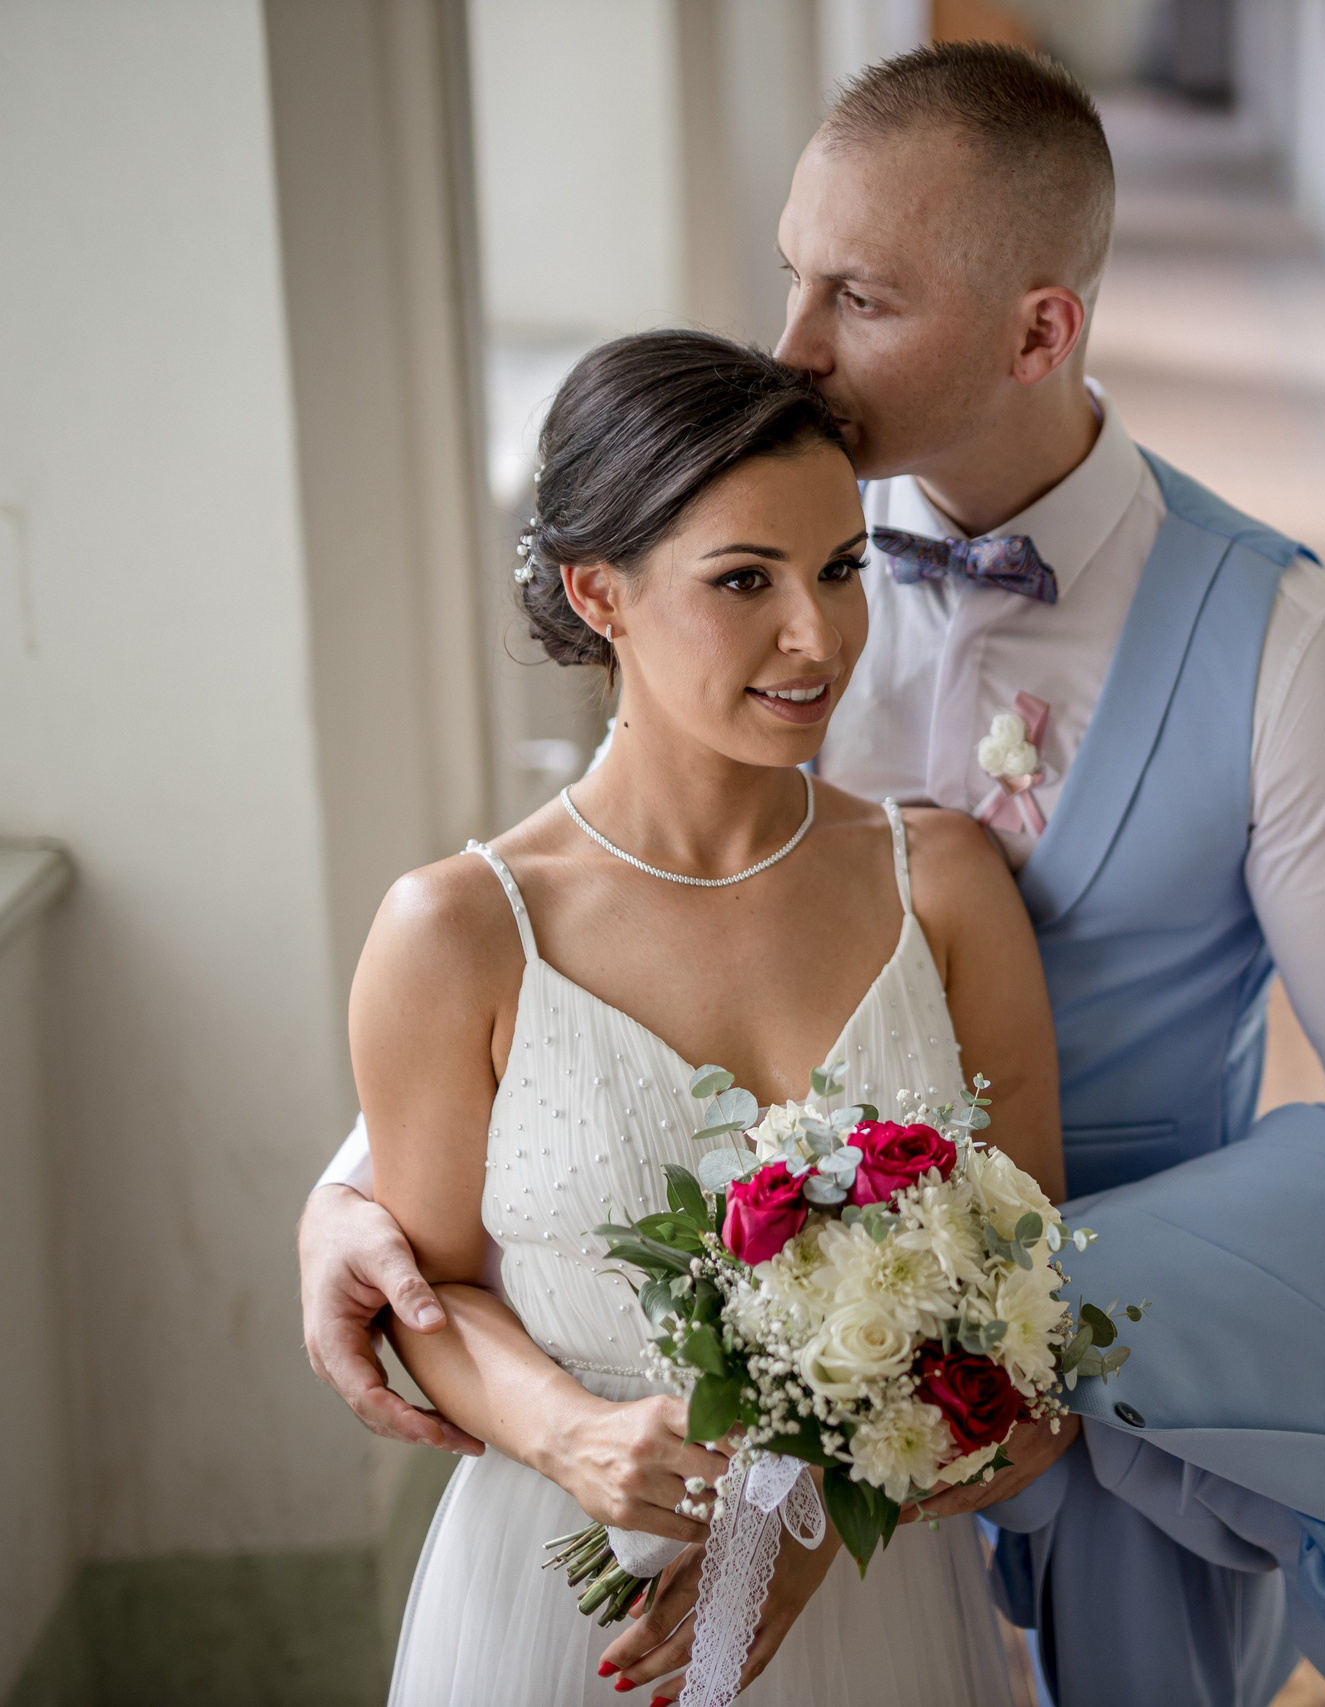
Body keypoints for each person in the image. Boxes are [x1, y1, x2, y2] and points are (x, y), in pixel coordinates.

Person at [306, 43, 1325, 1705]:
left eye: (859, 298)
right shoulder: (755, 574)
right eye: (793, 275)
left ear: (1043, 327)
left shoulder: (1294, 655)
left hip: (1123, 1432)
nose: (795, 344)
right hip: (726, 1430)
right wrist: (363, 1187)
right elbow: (604, 941)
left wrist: (970, 1321)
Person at [363, 329, 1046, 1703]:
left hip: (874, 1609)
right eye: (746, 580)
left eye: (843, 569)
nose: (819, 636)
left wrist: (815, 1527)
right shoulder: (458, 933)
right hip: (563, 1607)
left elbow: (1031, 1335)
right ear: (597, 592)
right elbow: (417, 1296)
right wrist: (567, 1434)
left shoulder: (948, 885)